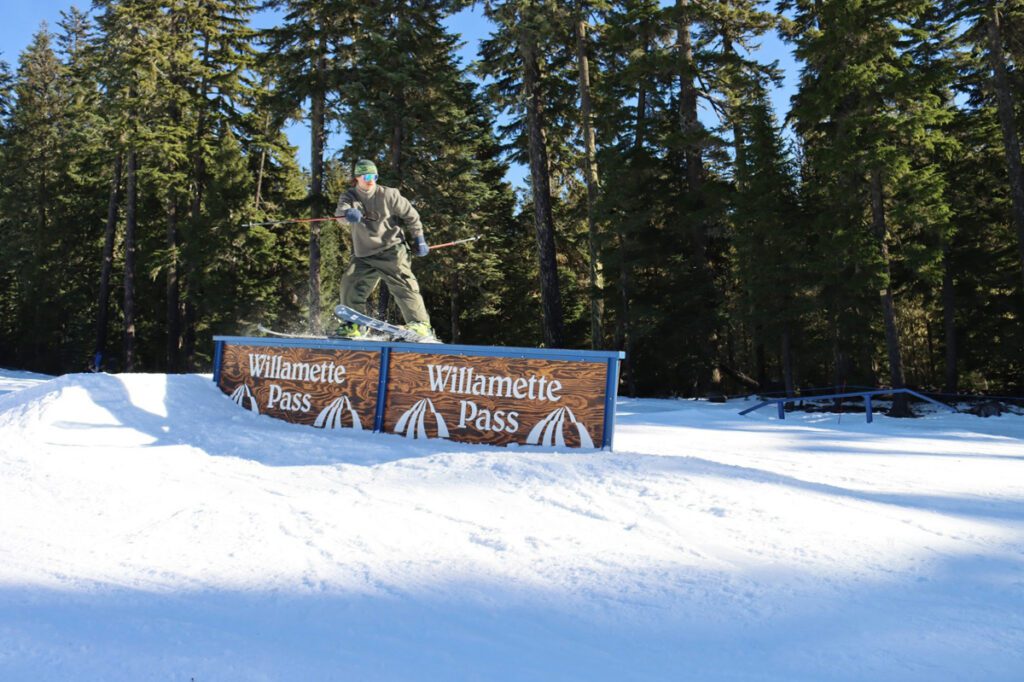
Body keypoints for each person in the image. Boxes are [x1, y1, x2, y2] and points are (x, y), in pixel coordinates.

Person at [333, 159, 436, 340]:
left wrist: (419, 238)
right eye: (366, 176)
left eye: (374, 176)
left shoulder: (388, 194)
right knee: (350, 283)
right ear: (357, 177)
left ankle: (420, 324)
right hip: (364, 254)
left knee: (403, 284)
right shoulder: (349, 196)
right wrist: (347, 215)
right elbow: (341, 213)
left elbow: (411, 215)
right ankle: (354, 325)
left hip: (391, 249)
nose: (370, 179)